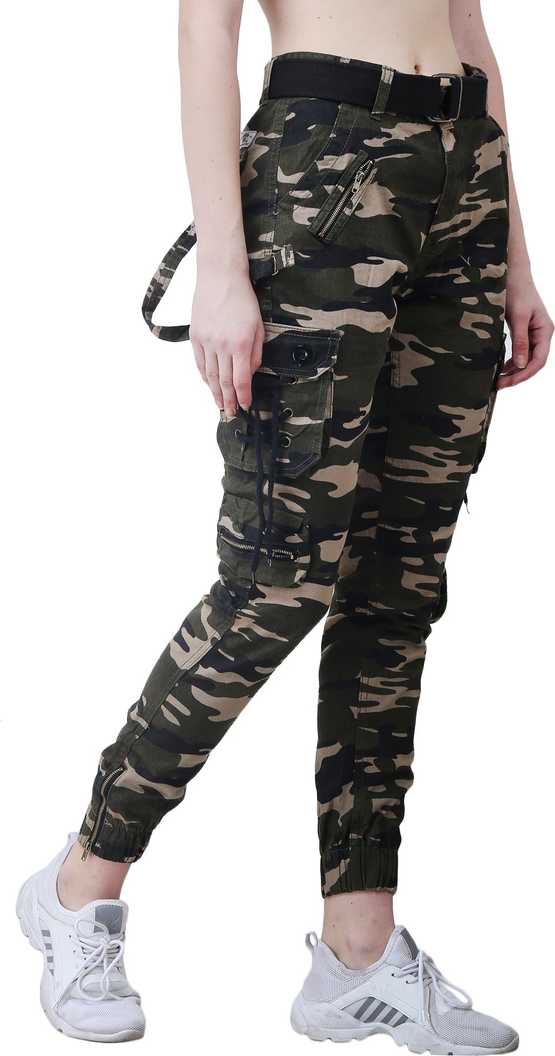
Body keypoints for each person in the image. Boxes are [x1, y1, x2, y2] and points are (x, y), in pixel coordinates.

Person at [17, 1, 551, 1050]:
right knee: (275, 580)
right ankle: (80, 885)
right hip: (323, 171)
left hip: (463, 175)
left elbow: (469, 31)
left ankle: (358, 951)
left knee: (397, 587)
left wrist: (517, 254)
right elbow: (205, 31)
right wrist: (223, 265)